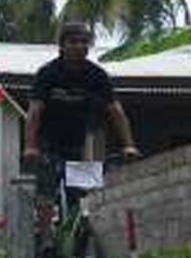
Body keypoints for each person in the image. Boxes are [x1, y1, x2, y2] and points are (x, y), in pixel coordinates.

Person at [22, 21, 140, 244]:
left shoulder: (97, 75)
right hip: (50, 142)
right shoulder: (48, 73)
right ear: (62, 45)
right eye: (73, 41)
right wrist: (30, 146)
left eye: (84, 42)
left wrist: (129, 144)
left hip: (85, 142)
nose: (79, 46)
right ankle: (46, 239)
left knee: (83, 197)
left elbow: (115, 110)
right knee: (47, 193)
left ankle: (80, 240)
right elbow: (35, 112)